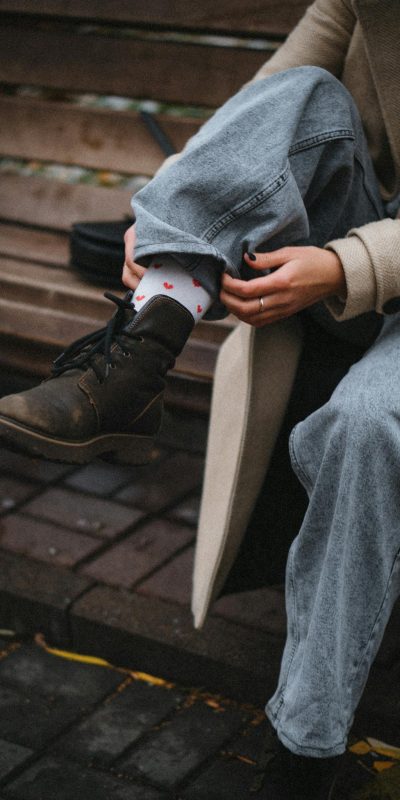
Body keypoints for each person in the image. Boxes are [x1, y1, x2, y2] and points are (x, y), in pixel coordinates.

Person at [0, 1, 399, 797]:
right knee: (310, 97)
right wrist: (171, 212)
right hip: (365, 232)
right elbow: (273, 96)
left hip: (370, 263)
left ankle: (307, 753)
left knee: (365, 426)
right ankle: (139, 362)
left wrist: (349, 266)